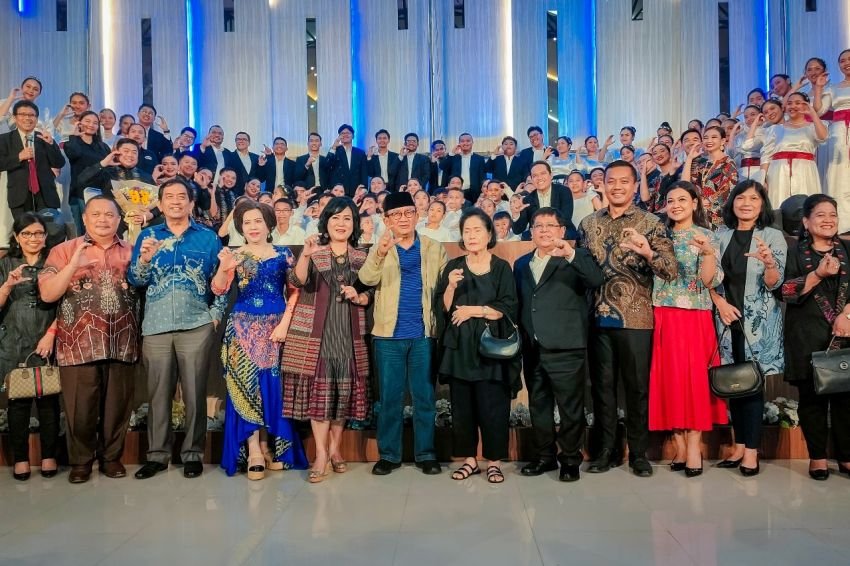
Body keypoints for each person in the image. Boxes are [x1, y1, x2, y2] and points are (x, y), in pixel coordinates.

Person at [579, 160, 677, 477]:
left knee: (636, 389)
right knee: (602, 390)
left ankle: (638, 453)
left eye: (624, 181)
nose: (617, 186)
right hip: (597, 318)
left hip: (636, 319)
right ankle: (605, 451)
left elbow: (670, 270)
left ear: (635, 186)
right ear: (603, 185)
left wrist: (648, 252)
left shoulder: (651, 223)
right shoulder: (588, 223)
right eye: (611, 181)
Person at [38, 197, 140, 483]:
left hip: (122, 340)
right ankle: (81, 461)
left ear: (119, 220)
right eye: (96, 214)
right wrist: (73, 266)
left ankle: (111, 457)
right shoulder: (62, 251)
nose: (103, 220)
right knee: (79, 407)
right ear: (84, 218)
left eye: (110, 215)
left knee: (117, 407)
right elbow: (48, 294)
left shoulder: (132, 251)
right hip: (77, 343)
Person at [129, 178, 225, 480]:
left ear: (191, 203)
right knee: (158, 393)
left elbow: (221, 283)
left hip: (196, 324)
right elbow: (136, 280)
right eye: (168, 196)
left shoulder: (207, 238)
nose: (175, 201)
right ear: (161, 202)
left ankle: (193, 453)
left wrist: (215, 315)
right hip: (156, 325)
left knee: (195, 392)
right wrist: (144, 259)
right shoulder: (147, 235)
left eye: (181, 196)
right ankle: (157, 455)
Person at [211, 200, 307, 479]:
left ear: (268, 224)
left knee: (272, 390)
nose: (252, 227)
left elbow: (295, 291)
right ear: (241, 226)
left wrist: (286, 325)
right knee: (245, 389)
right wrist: (223, 267)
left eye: (258, 221)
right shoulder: (235, 255)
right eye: (247, 222)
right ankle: (254, 449)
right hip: (241, 329)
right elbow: (218, 289)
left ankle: (269, 446)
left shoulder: (282, 253)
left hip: (276, 328)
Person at [282, 197, 373, 482]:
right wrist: (306, 255)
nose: (341, 223)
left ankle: (335, 449)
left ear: (354, 223)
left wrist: (359, 296)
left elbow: (370, 292)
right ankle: (321, 453)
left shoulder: (363, 256)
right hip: (316, 336)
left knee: (342, 396)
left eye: (347, 218)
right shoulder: (314, 250)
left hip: (349, 334)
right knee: (320, 399)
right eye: (335, 218)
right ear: (326, 222)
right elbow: (296, 282)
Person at [359, 191, 448, 476]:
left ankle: (426, 454)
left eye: (408, 212)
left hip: (423, 335)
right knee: (390, 399)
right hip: (388, 336)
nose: (403, 219)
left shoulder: (434, 248)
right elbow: (366, 280)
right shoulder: (380, 246)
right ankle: (389, 455)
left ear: (417, 215)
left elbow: (444, 288)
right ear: (386, 219)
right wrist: (381, 251)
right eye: (396, 214)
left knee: (424, 397)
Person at [515, 207, 603, 482]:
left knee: (570, 408)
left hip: (567, 346)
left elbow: (596, 280)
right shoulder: (520, 263)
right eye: (538, 225)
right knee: (538, 406)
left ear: (562, 231)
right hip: (532, 348)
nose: (543, 230)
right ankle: (545, 457)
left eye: (550, 225)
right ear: (531, 231)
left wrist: (571, 253)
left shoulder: (577, 257)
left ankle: (570, 460)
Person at [647, 181, 727, 477]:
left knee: (693, 381)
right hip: (663, 314)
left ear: (695, 203)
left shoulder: (707, 236)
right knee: (669, 379)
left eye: (683, 199)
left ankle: (694, 448)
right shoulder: (659, 235)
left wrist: (707, 254)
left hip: (694, 315)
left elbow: (709, 281)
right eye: (670, 200)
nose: (676, 205)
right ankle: (679, 444)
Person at [434, 208, 519, 484]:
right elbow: (445, 310)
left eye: (476, 230)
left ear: (489, 234)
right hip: (460, 348)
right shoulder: (453, 266)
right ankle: (469, 459)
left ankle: (493, 461)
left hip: (491, 349)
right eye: (466, 231)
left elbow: (506, 309)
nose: (471, 236)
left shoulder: (501, 267)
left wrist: (473, 310)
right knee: (463, 407)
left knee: (493, 407)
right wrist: (449, 287)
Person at [711, 180, 786, 476]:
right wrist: (720, 304)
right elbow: (709, 279)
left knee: (752, 384)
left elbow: (775, 283)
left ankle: (751, 452)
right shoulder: (721, 235)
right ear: (732, 203)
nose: (746, 203)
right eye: (740, 198)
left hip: (759, 321)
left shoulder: (772, 236)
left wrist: (769, 263)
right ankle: (739, 444)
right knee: (733, 382)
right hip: (728, 319)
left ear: (762, 204)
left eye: (753, 198)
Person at [782, 194, 850, 481]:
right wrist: (819, 274)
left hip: (845, 331)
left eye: (832, 214)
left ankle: (846, 457)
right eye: (820, 215)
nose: (828, 220)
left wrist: (847, 314)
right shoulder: (794, 252)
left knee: (847, 399)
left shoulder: (848, 249)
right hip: (806, 334)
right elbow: (784, 291)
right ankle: (818, 458)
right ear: (806, 222)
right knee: (812, 400)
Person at [0, 213, 59, 481]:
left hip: (46, 335)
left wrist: (50, 334)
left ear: (45, 237)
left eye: (38, 233)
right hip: (14, 338)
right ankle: (21, 459)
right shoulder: (6, 264)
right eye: (27, 234)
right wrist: (7, 286)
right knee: (18, 403)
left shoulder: (54, 263)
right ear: (16, 237)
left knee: (48, 400)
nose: (33, 239)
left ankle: (49, 456)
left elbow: (65, 303)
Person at [761, 92, 828, 205]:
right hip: (779, 172)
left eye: (798, 103)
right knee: (778, 203)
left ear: (806, 105)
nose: (793, 106)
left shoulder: (813, 126)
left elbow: (823, 137)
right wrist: (763, 179)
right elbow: (766, 156)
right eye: (789, 103)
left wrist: (813, 114)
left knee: (805, 204)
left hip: (804, 170)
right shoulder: (775, 129)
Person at [0, 101, 65, 218]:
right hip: (19, 196)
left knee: (49, 231)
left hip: (46, 195)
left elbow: (59, 162)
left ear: (36, 118)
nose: (27, 118)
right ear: (15, 117)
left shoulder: (44, 137)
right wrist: (19, 157)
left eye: (31, 115)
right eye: (23, 114)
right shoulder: (5, 139)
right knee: (25, 232)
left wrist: (51, 144)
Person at [813, 49, 850, 233]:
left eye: (849, 59)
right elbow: (819, 111)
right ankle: (843, 225)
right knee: (839, 175)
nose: (846, 63)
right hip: (839, 131)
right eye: (842, 61)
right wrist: (819, 87)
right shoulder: (833, 88)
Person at [683, 125, 739, 229]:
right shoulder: (703, 165)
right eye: (705, 138)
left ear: (722, 141)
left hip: (718, 216)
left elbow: (727, 190)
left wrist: (707, 201)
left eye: (714, 137)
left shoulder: (728, 163)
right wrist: (690, 158)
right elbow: (685, 185)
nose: (709, 140)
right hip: (698, 213)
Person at [512, 161, 576, 239]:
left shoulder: (563, 191)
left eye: (543, 173)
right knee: (525, 236)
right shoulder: (527, 199)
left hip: (559, 230)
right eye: (535, 175)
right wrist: (516, 213)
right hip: (538, 233)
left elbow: (566, 218)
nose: (539, 178)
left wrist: (547, 229)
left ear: (551, 175)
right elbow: (518, 230)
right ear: (531, 179)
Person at [441, 133, 487, 202]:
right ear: (459, 143)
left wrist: (483, 192)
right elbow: (442, 166)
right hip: (456, 192)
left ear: (472, 142)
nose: (465, 143)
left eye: (468, 141)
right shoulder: (453, 157)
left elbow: (482, 177)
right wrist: (451, 153)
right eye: (462, 141)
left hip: (474, 193)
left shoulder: (479, 159)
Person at [328, 124, 367, 196]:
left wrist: (364, 188)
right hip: (338, 191)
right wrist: (333, 148)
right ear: (339, 137)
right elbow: (327, 165)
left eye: (348, 133)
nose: (345, 135)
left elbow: (364, 172)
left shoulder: (360, 152)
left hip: (356, 191)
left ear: (353, 136)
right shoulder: (334, 151)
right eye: (342, 133)